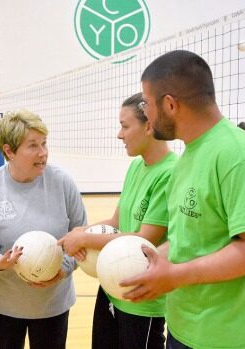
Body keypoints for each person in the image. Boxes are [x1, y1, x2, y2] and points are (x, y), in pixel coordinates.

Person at [121, 50, 245, 349]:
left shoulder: (237, 155)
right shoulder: (189, 155)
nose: (146, 111)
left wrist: (175, 275)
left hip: (229, 338)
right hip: (186, 327)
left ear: (169, 105)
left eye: (146, 102)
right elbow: (188, 239)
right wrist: (148, 261)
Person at [58, 93, 176, 349]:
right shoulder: (137, 166)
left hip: (141, 298)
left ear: (148, 126)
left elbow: (145, 241)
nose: (119, 135)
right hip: (113, 285)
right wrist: (80, 232)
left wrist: (86, 238)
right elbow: (116, 221)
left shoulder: (169, 173)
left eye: (124, 126)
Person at [0, 110, 87, 349]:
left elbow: (80, 236)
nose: (43, 153)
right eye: (33, 146)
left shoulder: (62, 183)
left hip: (52, 304)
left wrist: (62, 270)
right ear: (8, 151)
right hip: (2, 305)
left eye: (44, 143)